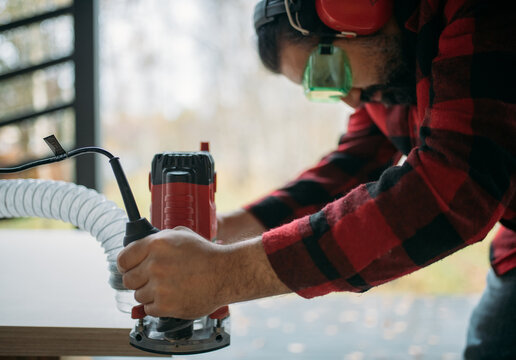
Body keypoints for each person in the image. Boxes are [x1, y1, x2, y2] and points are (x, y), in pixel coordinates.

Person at [117, 0, 516, 357]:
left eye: (327, 69)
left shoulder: (480, 13)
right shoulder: (387, 79)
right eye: (321, 86)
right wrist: (223, 229)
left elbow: (451, 190)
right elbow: (349, 167)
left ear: (354, 11)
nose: (349, 98)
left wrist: (224, 274)